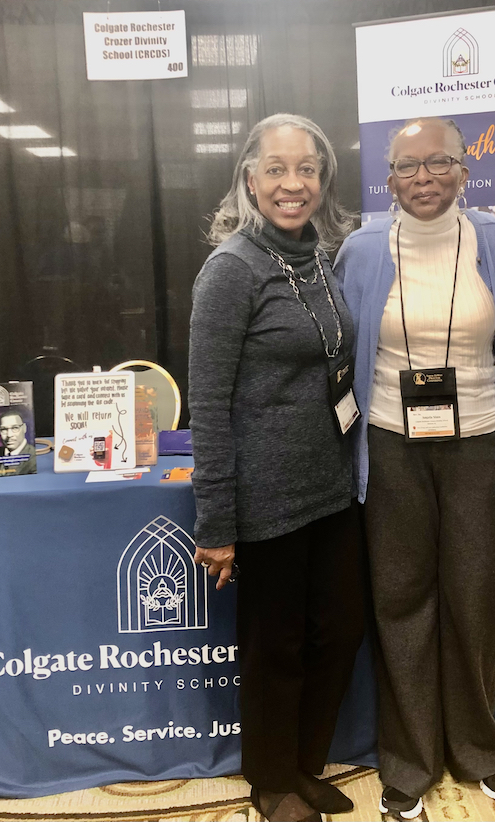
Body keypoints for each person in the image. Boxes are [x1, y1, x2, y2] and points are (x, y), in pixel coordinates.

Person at [334, 117, 495, 820]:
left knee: (477, 596)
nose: (423, 177)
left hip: (478, 440)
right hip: (390, 444)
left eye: (438, 162)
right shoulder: (359, 249)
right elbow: (340, 353)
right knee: (400, 600)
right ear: (388, 177)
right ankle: (410, 758)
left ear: (464, 170)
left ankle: (482, 745)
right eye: (407, 166)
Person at [189, 113, 362, 822]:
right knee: (276, 646)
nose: (294, 184)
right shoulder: (230, 270)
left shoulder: (320, 254)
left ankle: (303, 762)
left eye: (308, 170)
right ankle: (269, 779)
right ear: (250, 178)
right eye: (278, 169)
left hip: (332, 485)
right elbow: (207, 404)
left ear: (323, 180)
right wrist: (217, 524)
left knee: (339, 629)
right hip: (266, 499)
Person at [0, 409, 37, 476]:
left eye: (15, 428)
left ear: (24, 428)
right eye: (4, 429)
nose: (9, 435)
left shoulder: (34, 458)